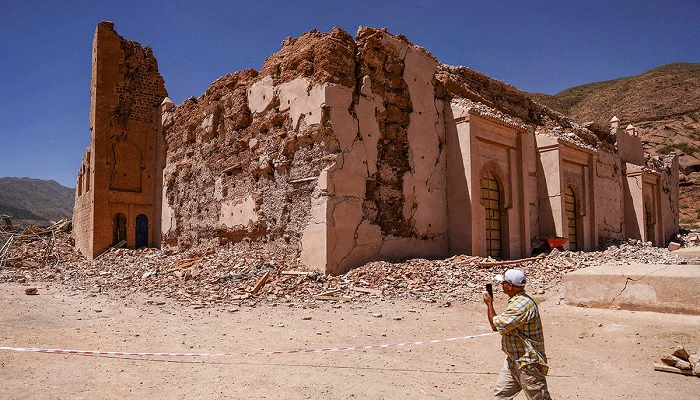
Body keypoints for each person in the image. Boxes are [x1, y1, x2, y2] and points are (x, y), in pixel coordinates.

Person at [483, 268, 551, 400]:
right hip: (514, 358)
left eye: (503, 283)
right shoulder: (518, 300)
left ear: (510, 286)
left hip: (527, 362)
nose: (501, 285)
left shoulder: (521, 305)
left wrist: (489, 304)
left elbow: (495, 325)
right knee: (501, 395)